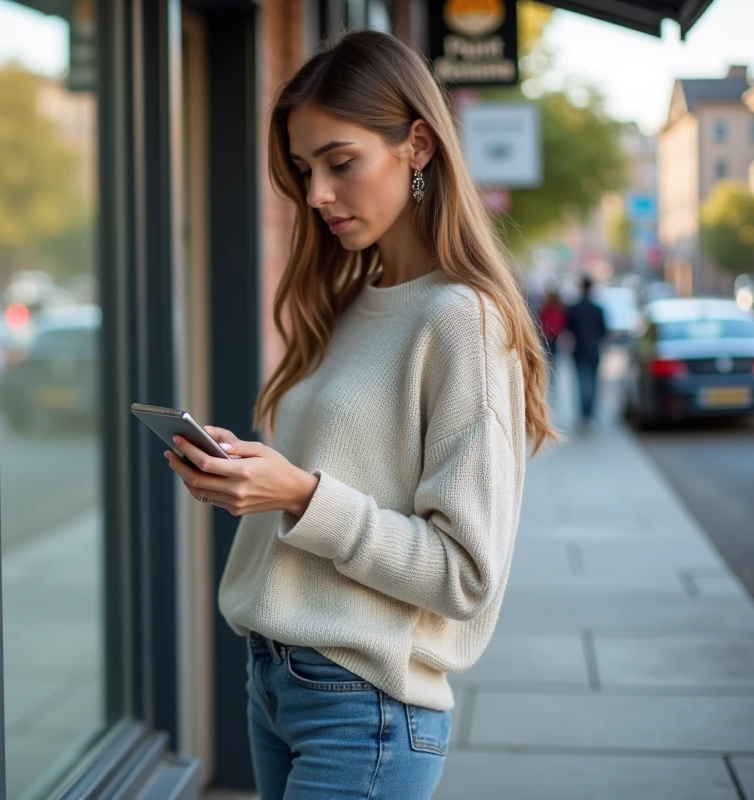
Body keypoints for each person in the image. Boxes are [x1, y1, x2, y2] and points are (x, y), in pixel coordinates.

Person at [162, 31, 556, 800]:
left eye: (340, 163)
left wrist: (300, 496)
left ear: (417, 145)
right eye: (305, 170)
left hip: (365, 708)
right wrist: (251, 476)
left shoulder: (462, 321)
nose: (315, 195)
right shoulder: (348, 301)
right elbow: (338, 481)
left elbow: (465, 575)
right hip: (274, 681)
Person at [563, 275, 609, 428]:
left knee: (582, 382)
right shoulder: (598, 309)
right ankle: (590, 415)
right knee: (593, 383)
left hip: (579, 350)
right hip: (594, 350)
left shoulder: (574, 309)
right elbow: (604, 331)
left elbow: (567, 329)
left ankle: (584, 415)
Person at [537, 285, 566, 367]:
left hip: (547, 334)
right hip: (555, 334)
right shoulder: (559, 308)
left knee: (548, 354)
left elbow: (541, 320)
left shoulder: (546, 307)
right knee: (554, 355)